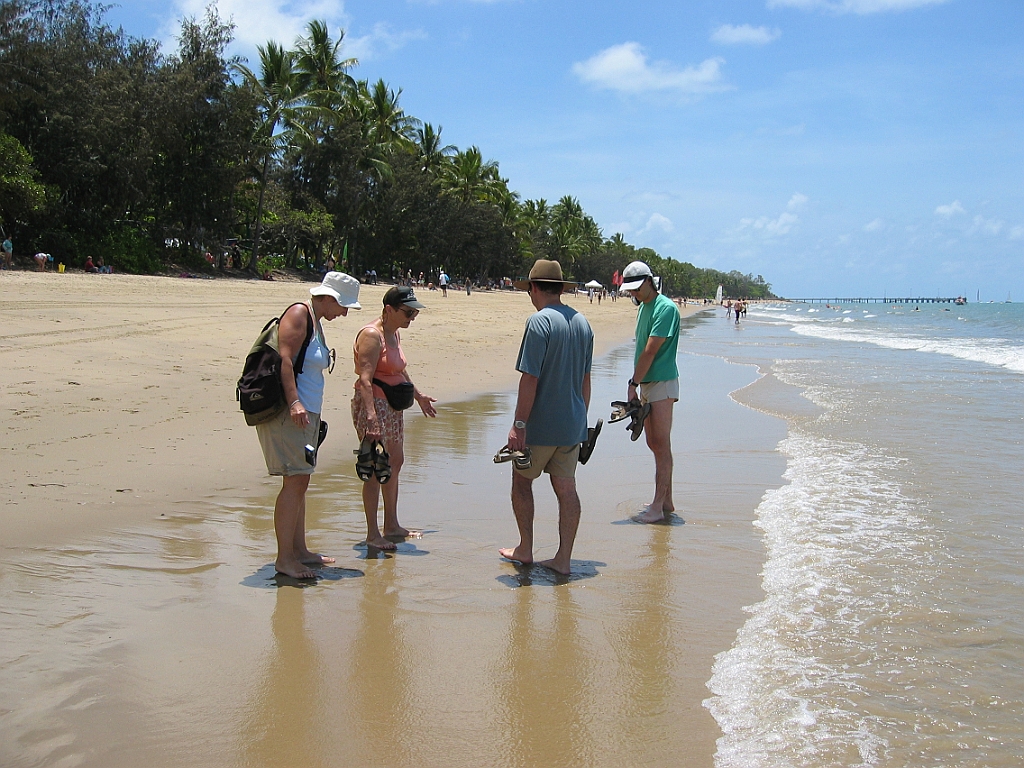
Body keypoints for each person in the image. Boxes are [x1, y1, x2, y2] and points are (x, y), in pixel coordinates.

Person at [256, 271, 362, 578]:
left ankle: (299, 550)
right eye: (343, 307)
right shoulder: (300, 314)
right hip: (292, 412)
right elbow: (285, 360)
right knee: (295, 480)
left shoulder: (314, 321)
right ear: (329, 298)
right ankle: (284, 558)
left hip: (306, 413)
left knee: (300, 480)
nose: (343, 313)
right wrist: (294, 402)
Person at [498, 259, 594, 575]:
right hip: (572, 425)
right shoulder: (583, 323)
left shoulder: (539, 322)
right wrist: (582, 420)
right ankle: (563, 559)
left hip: (540, 425)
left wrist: (518, 425)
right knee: (566, 489)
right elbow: (585, 380)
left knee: (521, 482)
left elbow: (530, 378)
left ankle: (525, 547)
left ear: (535, 288)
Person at [352, 286, 437, 550]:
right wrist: (372, 419)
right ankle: (372, 534)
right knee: (377, 469)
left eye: (415, 313)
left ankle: (391, 524)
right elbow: (365, 380)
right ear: (389, 310)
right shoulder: (371, 335)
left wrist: (418, 395)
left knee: (396, 462)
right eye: (408, 312)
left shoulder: (394, 333)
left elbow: (399, 369)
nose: (412, 317)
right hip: (374, 405)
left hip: (394, 407)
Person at [619, 260, 680, 524]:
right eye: (629, 290)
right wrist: (637, 384)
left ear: (649, 281)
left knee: (661, 444)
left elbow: (651, 350)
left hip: (662, 382)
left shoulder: (665, 308)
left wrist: (632, 383)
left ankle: (657, 505)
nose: (633, 293)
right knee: (652, 442)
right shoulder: (644, 308)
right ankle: (665, 500)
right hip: (646, 383)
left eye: (636, 288)